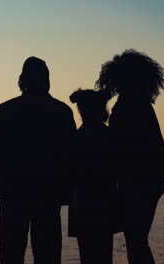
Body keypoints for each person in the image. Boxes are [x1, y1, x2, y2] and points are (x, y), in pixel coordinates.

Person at [0, 56, 77, 264]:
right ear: (47, 80)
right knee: (48, 255)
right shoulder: (61, 112)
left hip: (12, 193)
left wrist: (1, 178)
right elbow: (71, 154)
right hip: (48, 195)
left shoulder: (5, 110)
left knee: (10, 253)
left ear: (22, 80)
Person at [95, 49, 164, 264]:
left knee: (135, 240)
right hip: (151, 179)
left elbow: (118, 146)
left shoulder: (126, 106)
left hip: (136, 180)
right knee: (138, 239)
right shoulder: (142, 103)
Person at [68, 89, 121, 264]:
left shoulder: (78, 136)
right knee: (104, 254)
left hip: (83, 204)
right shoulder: (109, 135)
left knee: (87, 254)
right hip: (106, 203)